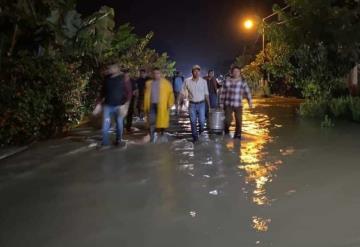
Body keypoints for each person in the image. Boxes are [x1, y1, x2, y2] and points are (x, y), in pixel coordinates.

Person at [101, 64, 132, 147]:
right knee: (105, 125)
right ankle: (105, 143)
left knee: (119, 124)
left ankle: (118, 140)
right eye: (110, 68)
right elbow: (102, 92)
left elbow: (129, 92)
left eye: (112, 68)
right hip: (108, 105)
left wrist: (126, 105)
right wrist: (98, 104)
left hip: (119, 106)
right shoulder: (107, 78)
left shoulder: (123, 78)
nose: (110, 69)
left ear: (117, 69)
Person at [220, 66, 253, 140]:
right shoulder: (227, 81)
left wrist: (250, 101)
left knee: (239, 120)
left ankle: (237, 135)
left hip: (238, 105)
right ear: (232, 73)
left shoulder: (242, 82)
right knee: (227, 120)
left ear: (240, 73)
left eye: (237, 71)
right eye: (234, 71)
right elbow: (223, 93)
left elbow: (247, 92)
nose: (236, 73)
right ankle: (226, 130)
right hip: (228, 104)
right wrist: (221, 103)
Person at [144, 68, 175, 143]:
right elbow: (146, 95)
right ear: (152, 74)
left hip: (162, 105)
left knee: (162, 120)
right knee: (151, 120)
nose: (156, 75)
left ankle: (162, 133)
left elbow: (171, 94)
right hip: (151, 104)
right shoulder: (148, 83)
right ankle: (152, 136)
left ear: (160, 74)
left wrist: (170, 104)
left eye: (157, 73)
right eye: (154, 73)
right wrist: (145, 106)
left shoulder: (166, 83)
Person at [181, 65, 210, 142]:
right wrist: (180, 100)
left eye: (198, 71)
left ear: (199, 72)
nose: (196, 72)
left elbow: (206, 94)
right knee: (193, 121)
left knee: (202, 121)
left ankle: (201, 132)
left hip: (202, 104)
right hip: (192, 104)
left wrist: (209, 106)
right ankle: (195, 138)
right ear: (192, 72)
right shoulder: (187, 81)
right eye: (195, 71)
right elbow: (182, 92)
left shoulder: (203, 82)